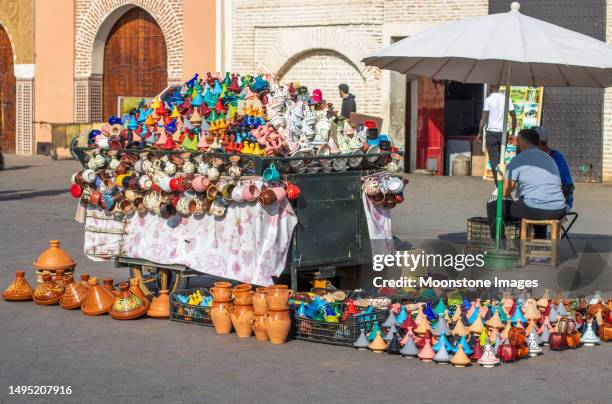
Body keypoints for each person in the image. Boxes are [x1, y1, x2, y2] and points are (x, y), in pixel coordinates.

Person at [486, 128, 566, 239]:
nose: (516, 144)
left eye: (517, 141)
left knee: (494, 206)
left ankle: (499, 245)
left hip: (535, 209)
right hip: (559, 209)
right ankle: (539, 242)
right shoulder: (549, 159)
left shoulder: (518, 159)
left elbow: (505, 191)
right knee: (535, 202)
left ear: (523, 142)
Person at [477, 85, 517, 183]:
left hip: (491, 132)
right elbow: (514, 117)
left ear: (490, 88)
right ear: (499, 88)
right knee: (501, 158)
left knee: (494, 159)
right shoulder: (507, 98)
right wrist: (512, 133)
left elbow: (483, 119)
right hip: (504, 133)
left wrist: (479, 133)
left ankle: (498, 184)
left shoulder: (488, 100)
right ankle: (502, 182)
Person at [535, 126, 574, 210]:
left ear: (539, 143)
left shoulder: (556, 156)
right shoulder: (533, 156)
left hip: (559, 202)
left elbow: (568, 187)